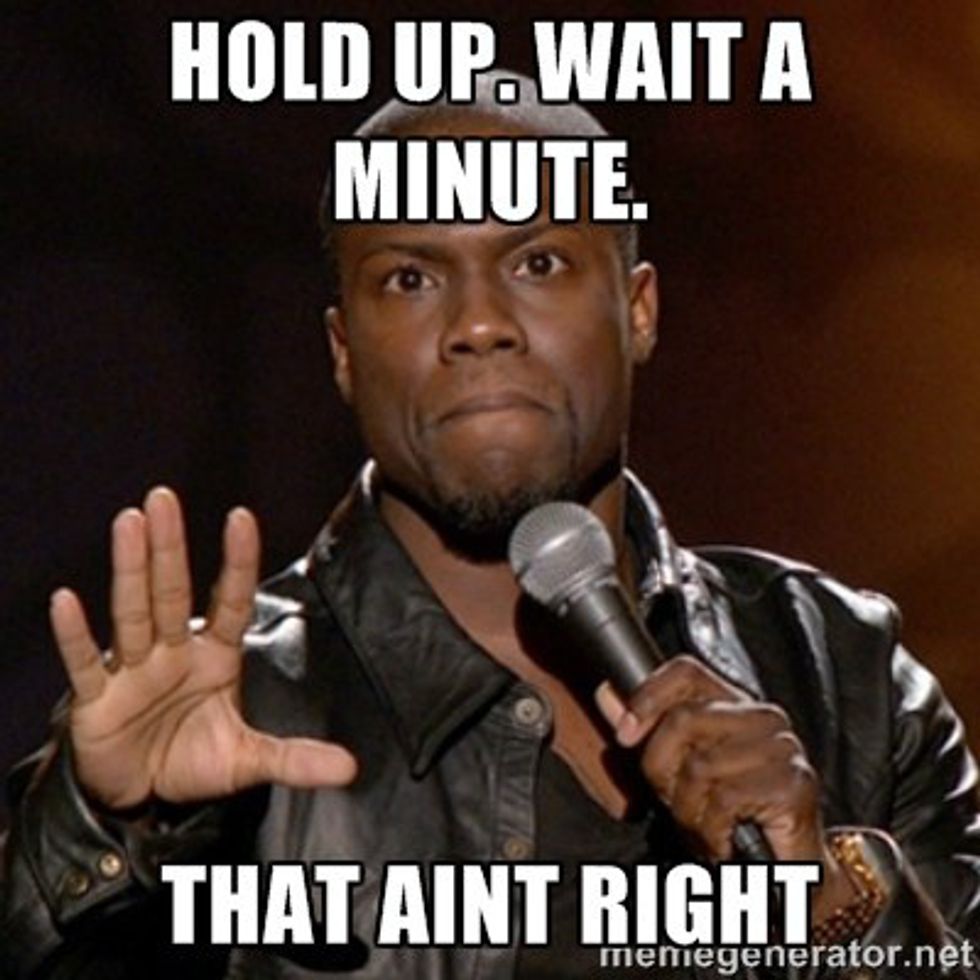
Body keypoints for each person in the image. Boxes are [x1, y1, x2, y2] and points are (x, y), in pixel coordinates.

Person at [2, 75, 979, 979]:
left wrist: (823, 894)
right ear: (342, 351)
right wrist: (97, 832)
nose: (477, 323)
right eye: (409, 279)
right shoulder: (225, 711)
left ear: (638, 309)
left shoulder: (845, 676)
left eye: (537, 261)